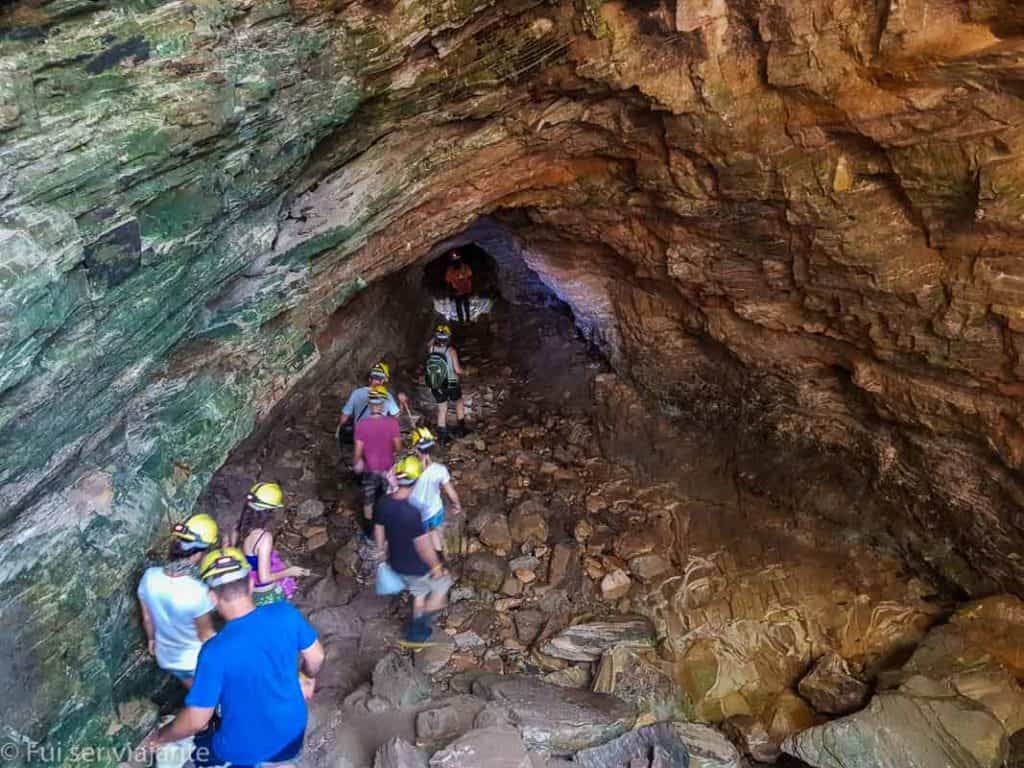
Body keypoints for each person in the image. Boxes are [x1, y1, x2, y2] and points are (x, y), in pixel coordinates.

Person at [146, 548, 325, 768]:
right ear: (250, 584)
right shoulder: (285, 613)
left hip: (241, 747)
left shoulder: (215, 652)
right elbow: (317, 657)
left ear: (212, 598)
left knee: (203, 753)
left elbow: (196, 720)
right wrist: (306, 676)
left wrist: (161, 737)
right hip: (293, 726)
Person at [374, 455, 453, 645]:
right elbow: (423, 546)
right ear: (416, 480)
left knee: (419, 593)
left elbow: (379, 529)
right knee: (443, 588)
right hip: (417, 566)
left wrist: (382, 552)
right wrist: (436, 566)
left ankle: (416, 637)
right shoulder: (412, 513)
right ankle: (417, 628)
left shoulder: (383, 503)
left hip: (397, 562)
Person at [137, 514, 218, 689]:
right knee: (214, 690)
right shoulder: (198, 591)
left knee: (196, 689)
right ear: (197, 554)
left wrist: (152, 641)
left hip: (166, 657)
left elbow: (148, 618)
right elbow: (207, 636)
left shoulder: (149, 577)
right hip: (194, 659)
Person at [235, 482, 310, 607]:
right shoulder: (263, 538)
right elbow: (264, 578)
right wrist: (289, 571)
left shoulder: (238, 527)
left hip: (247, 583)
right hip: (262, 592)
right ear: (270, 511)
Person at [408, 427, 462, 556]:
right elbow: (450, 492)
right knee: (434, 531)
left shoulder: (409, 468)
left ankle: (423, 560)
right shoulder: (440, 469)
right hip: (435, 511)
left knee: (420, 538)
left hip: (417, 514)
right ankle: (439, 558)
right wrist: (457, 505)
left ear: (415, 449)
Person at [353, 385, 402, 526]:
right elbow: (398, 448)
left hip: (369, 469)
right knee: (387, 498)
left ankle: (369, 532)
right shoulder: (392, 423)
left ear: (369, 405)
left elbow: (357, 452)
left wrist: (356, 465)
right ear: (383, 405)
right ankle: (387, 527)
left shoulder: (361, 425)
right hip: (388, 469)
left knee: (369, 501)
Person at [336, 362, 408, 449]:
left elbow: (345, 415)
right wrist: (402, 403)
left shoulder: (357, 393)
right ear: (383, 381)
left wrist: (339, 429)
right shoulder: (387, 396)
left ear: (370, 379)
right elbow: (397, 417)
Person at [424, 324, 467, 444]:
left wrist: (435, 337)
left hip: (436, 383)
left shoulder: (431, 348)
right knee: (458, 402)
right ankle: (461, 429)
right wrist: (466, 371)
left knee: (442, 408)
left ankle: (442, 437)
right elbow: (457, 370)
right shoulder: (451, 351)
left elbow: (430, 343)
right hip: (451, 382)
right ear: (448, 337)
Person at [444, 251, 473, 323]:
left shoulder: (465, 267)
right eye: (455, 260)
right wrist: (451, 291)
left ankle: (467, 319)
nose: (456, 261)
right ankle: (462, 321)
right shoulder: (450, 270)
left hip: (465, 290)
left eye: (457, 259)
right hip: (457, 291)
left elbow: (470, 276)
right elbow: (448, 281)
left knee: (465, 305)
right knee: (459, 306)